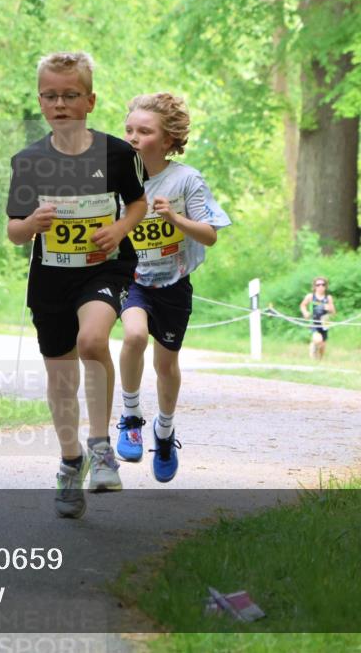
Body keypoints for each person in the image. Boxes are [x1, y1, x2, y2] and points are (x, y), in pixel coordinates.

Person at [6, 51, 147, 518]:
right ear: (40, 101)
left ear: (90, 100)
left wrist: (120, 231)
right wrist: (33, 224)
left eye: (70, 95)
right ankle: (71, 462)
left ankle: (102, 446)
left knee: (92, 341)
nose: (60, 104)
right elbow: (13, 230)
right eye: (51, 96)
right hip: (51, 279)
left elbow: (138, 205)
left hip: (103, 269)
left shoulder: (116, 153)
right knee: (61, 379)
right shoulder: (28, 161)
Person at [115, 93, 231, 482]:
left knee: (166, 364)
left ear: (166, 140)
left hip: (174, 283)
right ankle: (130, 415)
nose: (133, 137)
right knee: (133, 337)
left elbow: (210, 235)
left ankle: (163, 433)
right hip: (133, 279)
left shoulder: (185, 179)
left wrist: (175, 217)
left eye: (144, 131)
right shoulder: (116, 177)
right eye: (129, 129)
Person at [299, 277, 337, 360]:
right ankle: (313, 349)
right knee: (317, 340)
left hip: (325, 322)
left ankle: (319, 360)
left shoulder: (328, 298)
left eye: (323, 284)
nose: (320, 286)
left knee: (322, 346)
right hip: (314, 321)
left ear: (325, 286)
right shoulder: (310, 296)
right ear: (314, 286)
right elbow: (302, 305)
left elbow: (334, 313)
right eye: (318, 285)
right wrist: (305, 313)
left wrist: (330, 309)